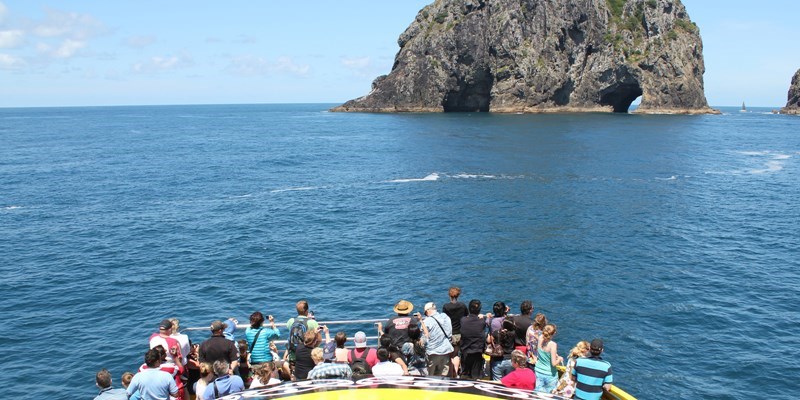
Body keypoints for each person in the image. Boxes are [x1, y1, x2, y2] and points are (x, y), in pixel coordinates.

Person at [420, 302, 453, 376]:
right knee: (443, 376)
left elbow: (424, 339)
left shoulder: (426, 322)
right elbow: (450, 333)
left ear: (427, 311)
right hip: (446, 350)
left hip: (433, 352)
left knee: (431, 376)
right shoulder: (445, 317)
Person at [285, 300, 319, 370]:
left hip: (293, 355)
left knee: (294, 373)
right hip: (308, 356)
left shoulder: (290, 321)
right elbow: (318, 339)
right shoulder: (312, 323)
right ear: (307, 310)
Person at [441, 287, 468, 377]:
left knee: (451, 355)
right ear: (458, 295)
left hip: (450, 333)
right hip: (460, 333)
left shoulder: (446, 307)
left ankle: (452, 373)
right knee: (457, 354)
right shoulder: (462, 306)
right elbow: (466, 317)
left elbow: (443, 319)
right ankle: (457, 372)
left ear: (449, 295)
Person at [460, 299, 488, 379]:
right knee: (476, 376)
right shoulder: (482, 321)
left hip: (466, 352)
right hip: (477, 352)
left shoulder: (463, 320)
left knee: (465, 375)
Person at [534, 324, 563, 393]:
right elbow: (553, 364)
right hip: (549, 374)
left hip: (538, 371)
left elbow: (543, 351)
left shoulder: (540, 338)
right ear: (554, 333)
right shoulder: (552, 345)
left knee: (537, 395)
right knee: (549, 395)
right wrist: (559, 359)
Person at [489, 316, 516, 380]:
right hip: (510, 360)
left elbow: (490, 340)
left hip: (498, 360)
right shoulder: (514, 334)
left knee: (497, 384)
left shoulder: (497, 332)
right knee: (509, 383)